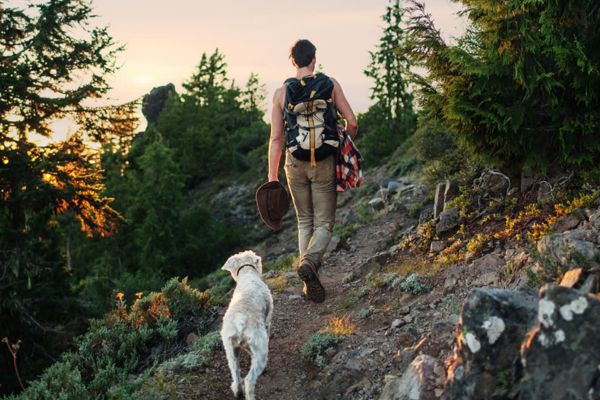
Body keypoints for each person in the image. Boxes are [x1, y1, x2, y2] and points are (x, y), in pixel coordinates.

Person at [267, 39, 358, 303]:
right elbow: (351, 122)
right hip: (325, 161)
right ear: (314, 59)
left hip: (294, 163)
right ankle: (309, 263)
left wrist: (272, 177)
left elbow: (276, 139)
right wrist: (343, 144)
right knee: (325, 223)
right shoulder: (330, 85)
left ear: (293, 61)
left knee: (304, 221)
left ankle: (308, 279)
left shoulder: (281, 93)